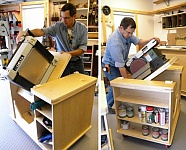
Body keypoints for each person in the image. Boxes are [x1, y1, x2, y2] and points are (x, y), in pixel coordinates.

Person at [102, 17, 160, 114]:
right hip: (110, 65)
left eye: (131, 33)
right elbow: (121, 67)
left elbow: (139, 42)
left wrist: (151, 39)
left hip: (121, 62)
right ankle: (106, 108)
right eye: (128, 33)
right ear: (121, 28)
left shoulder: (127, 34)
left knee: (133, 76)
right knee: (116, 85)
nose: (130, 35)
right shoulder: (115, 42)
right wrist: (127, 82)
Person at [16, 3, 88, 77]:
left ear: (74, 16)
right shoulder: (58, 27)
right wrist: (27, 32)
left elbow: (82, 49)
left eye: (66, 18)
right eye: (62, 17)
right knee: (62, 85)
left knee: (80, 84)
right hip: (62, 61)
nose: (63, 21)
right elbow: (42, 31)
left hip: (77, 62)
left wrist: (69, 54)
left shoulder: (83, 29)